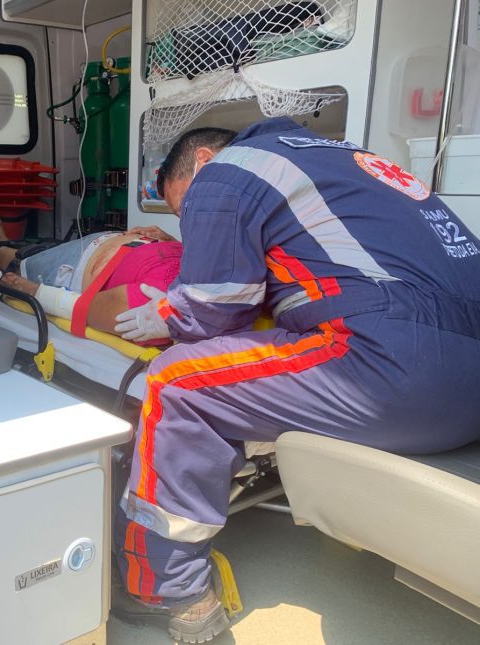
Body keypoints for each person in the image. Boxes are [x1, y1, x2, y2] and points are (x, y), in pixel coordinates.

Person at [109, 117, 480, 643]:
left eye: (183, 208)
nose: (189, 225)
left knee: (175, 383)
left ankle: (169, 592)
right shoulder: (348, 161)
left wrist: (166, 315)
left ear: (201, 163)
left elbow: (216, 309)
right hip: (467, 374)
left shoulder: (226, 172)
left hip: (396, 366)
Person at [0, 209, 183, 338]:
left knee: (8, 261)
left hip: (76, 267)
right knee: (32, 251)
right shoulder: (212, 272)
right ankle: (1, 241)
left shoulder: (155, 308)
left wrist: (37, 292)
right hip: (113, 242)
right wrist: (169, 238)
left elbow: (92, 309)